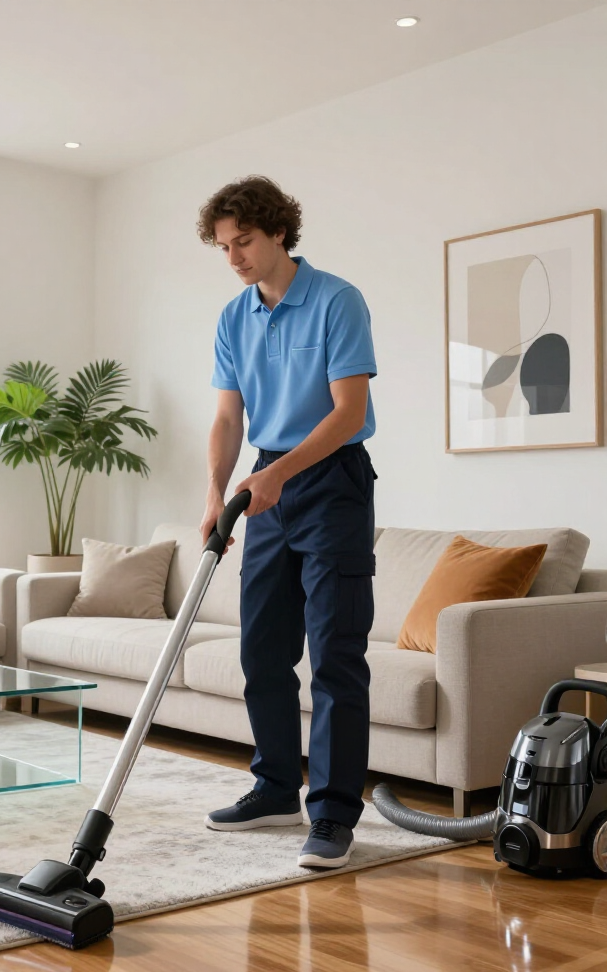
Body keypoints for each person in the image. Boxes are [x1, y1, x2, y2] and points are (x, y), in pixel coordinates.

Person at [197, 175, 378, 870]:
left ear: (278, 232)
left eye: (244, 241)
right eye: (223, 246)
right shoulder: (232, 317)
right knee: (262, 649)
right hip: (263, 487)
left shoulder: (336, 300)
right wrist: (218, 492)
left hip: (330, 479)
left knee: (335, 655)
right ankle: (275, 787)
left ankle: (332, 814)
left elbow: (348, 414)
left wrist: (278, 473)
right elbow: (226, 416)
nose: (235, 256)